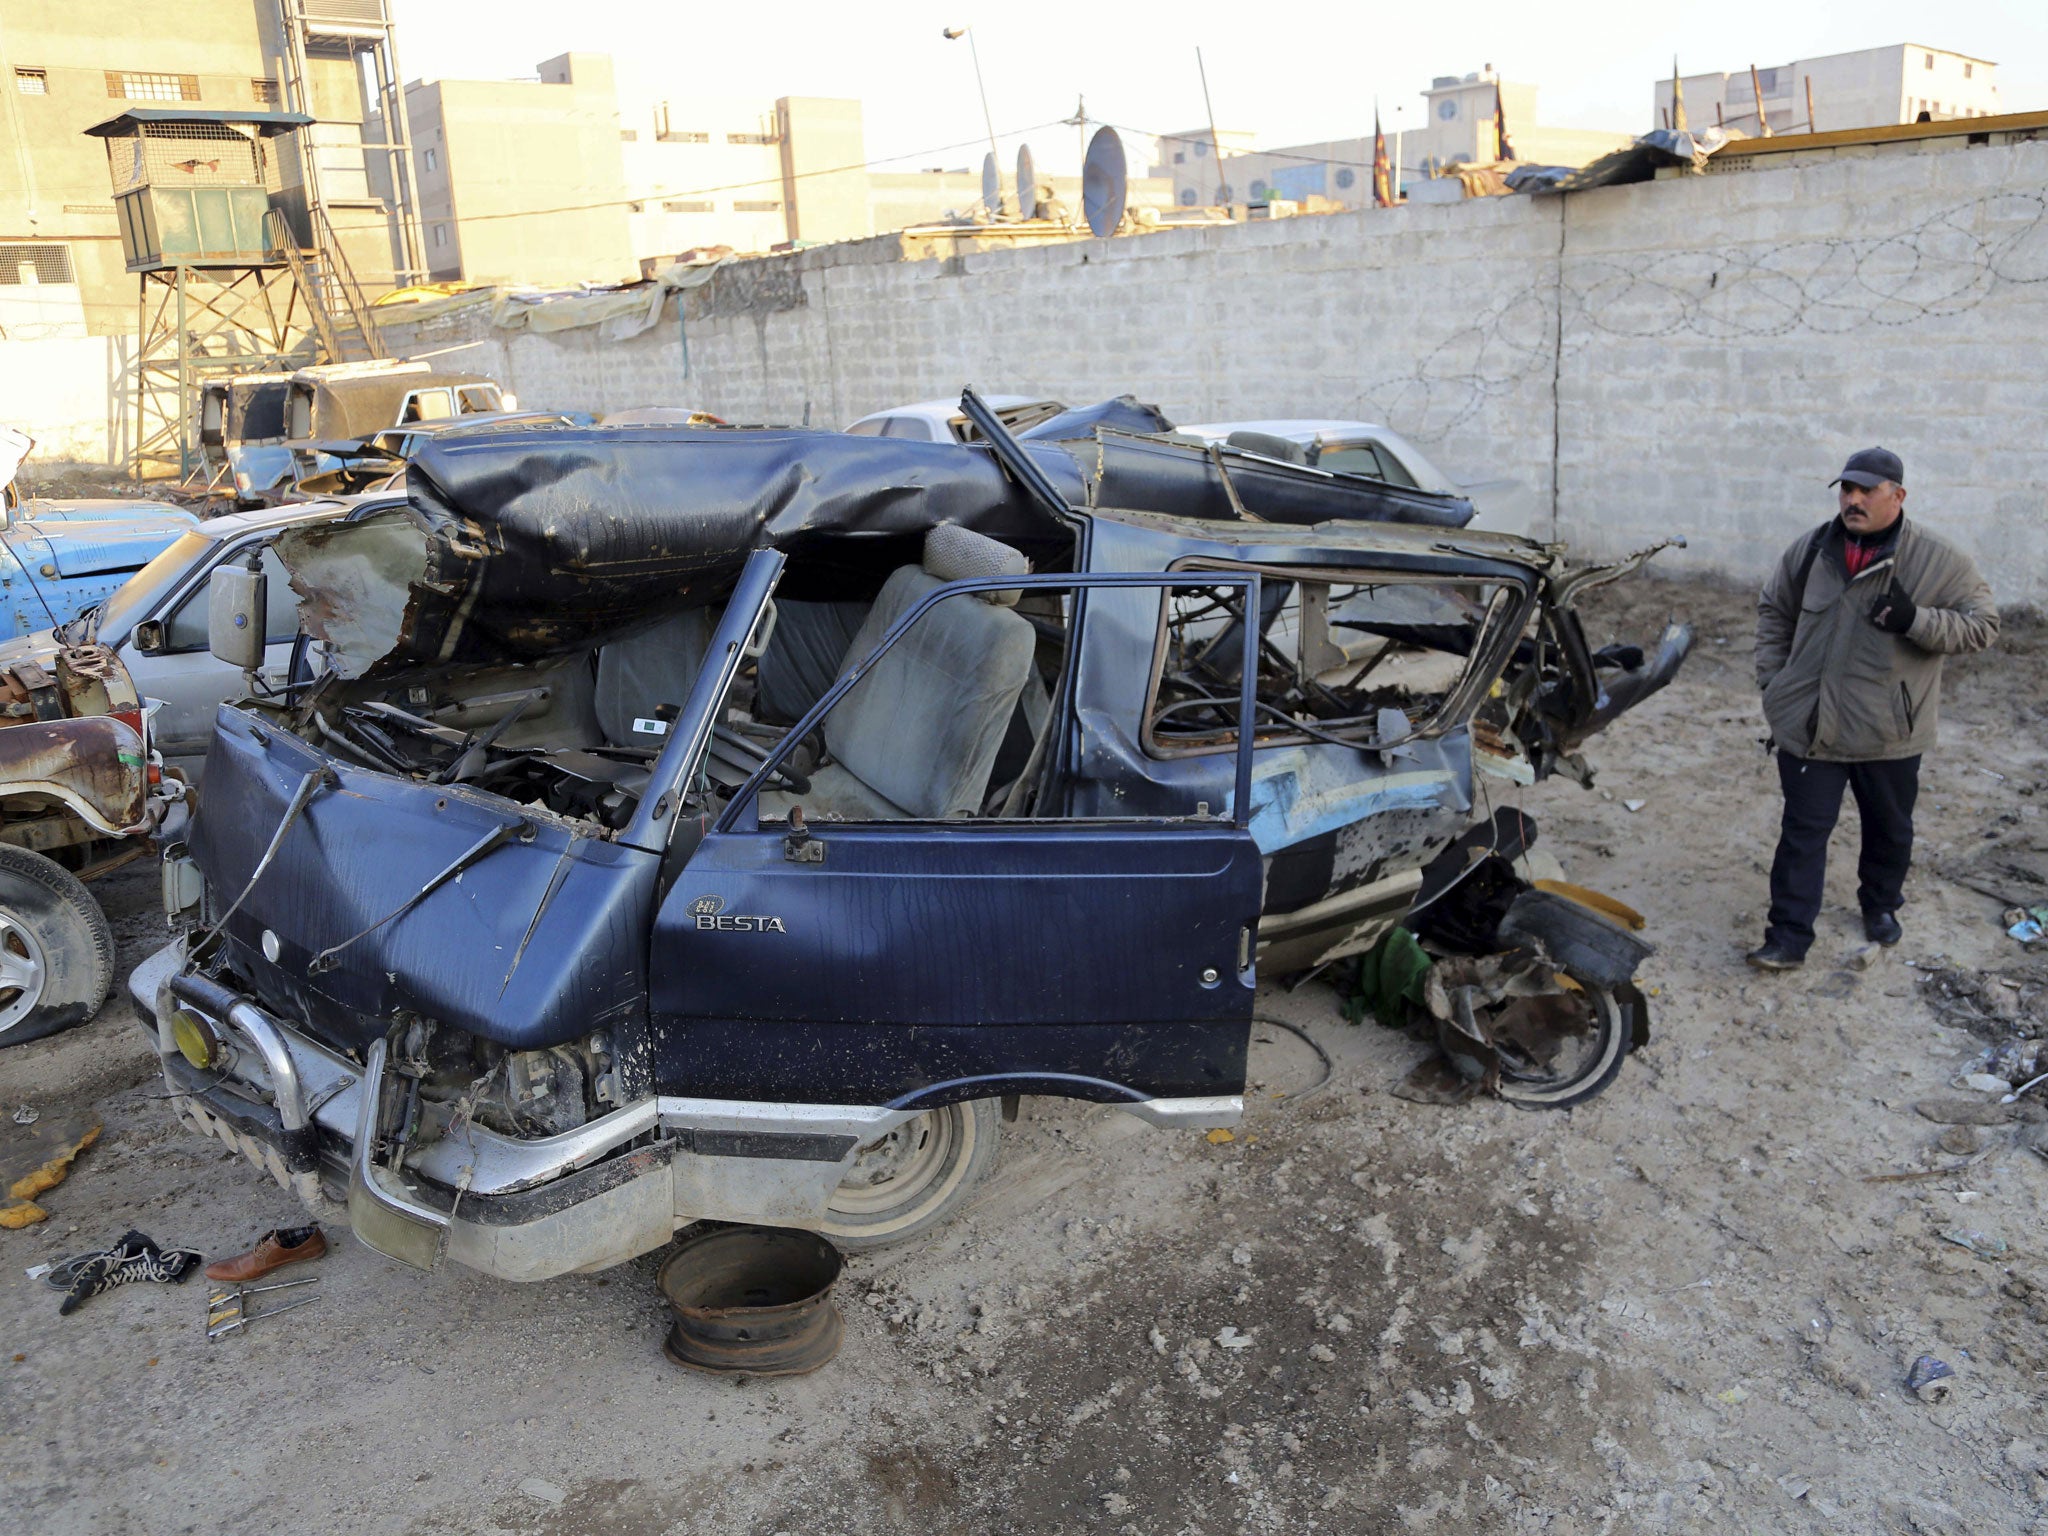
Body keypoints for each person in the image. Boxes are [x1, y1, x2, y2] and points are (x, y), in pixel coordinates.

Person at [1749, 447, 1997, 970]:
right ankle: (1788, 937)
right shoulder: (1813, 548)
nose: (1853, 500)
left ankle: (1880, 905)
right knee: (1802, 833)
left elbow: (1984, 627)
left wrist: (1917, 620)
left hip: (1889, 729)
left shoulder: (1938, 557)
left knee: (1889, 829)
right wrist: (1776, 684)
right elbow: (1774, 610)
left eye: (1866, 490)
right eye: (1846, 489)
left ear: (1897, 496)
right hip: (1812, 724)